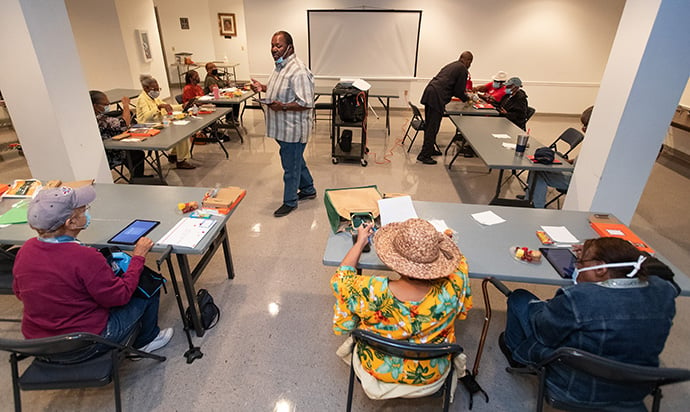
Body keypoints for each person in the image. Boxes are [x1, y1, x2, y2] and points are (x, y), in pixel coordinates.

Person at [499, 237, 678, 409]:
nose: (577, 266)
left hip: (575, 387)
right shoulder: (664, 291)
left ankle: (515, 353)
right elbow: (664, 272)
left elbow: (543, 330)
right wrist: (612, 252)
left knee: (520, 298)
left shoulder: (578, 298)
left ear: (600, 268)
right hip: (635, 387)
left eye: (580, 262)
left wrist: (546, 307)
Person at [12, 185, 173, 362]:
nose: (87, 213)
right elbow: (120, 296)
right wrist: (138, 258)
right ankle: (146, 341)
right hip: (84, 344)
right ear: (70, 223)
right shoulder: (85, 256)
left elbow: (20, 293)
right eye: (83, 210)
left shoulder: (25, 250)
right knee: (147, 284)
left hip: (40, 345)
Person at [331, 219, 472, 398]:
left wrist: (360, 242)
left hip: (377, 365)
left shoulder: (371, 290)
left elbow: (341, 277)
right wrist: (439, 243)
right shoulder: (454, 286)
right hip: (431, 370)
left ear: (394, 259)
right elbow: (459, 261)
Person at [249, 30, 316, 217]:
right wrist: (262, 87)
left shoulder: (298, 71)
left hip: (293, 129)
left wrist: (284, 106)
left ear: (290, 47)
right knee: (295, 160)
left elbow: (306, 103)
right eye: (272, 45)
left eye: (278, 46)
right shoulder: (279, 66)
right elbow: (280, 88)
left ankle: (290, 201)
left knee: (290, 167)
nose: (274, 49)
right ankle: (308, 189)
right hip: (281, 128)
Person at [522, 106, 593, 208]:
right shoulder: (594, 141)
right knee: (537, 166)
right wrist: (567, 161)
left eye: (585, 126)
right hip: (573, 171)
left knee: (539, 173)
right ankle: (529, 198)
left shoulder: (599, 145)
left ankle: (535, 208)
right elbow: (580, 160)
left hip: (578, 180)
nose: (583, 129)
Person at [418, 51, 474, 165]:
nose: (470, 65)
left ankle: (429, 149)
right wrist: (467, 99)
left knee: (430, 125)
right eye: (470, 62)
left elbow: (452, 87)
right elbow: (458, 91)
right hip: (436, 97)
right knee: (432, 127)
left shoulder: (453, 65)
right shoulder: (463, 69)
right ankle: (424, 155)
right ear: (467, 60)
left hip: (431, 93)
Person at [135, 74, 196, 169]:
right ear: (146, 88)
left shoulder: (153, 98)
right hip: (148, 128)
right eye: (154, 89)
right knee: (181, 133)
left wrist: (181, 106)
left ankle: (174, 154)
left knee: (180, 129)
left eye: (158, 88)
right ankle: (181, 161)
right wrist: (159, 107)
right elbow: (147, 116)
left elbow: (167, 105)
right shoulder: (142, 99)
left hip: (159, 125)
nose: (157, 91)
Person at [89, 90, 148, 179]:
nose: (107, 107)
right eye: (105, 105)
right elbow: (125, 122)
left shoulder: (88, 117)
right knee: (137, 154)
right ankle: (138, 180)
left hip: (103, 150)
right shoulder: (101, 120)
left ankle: (138, 178)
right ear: (95, 106)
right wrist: (125, 105)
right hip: (110, 153)